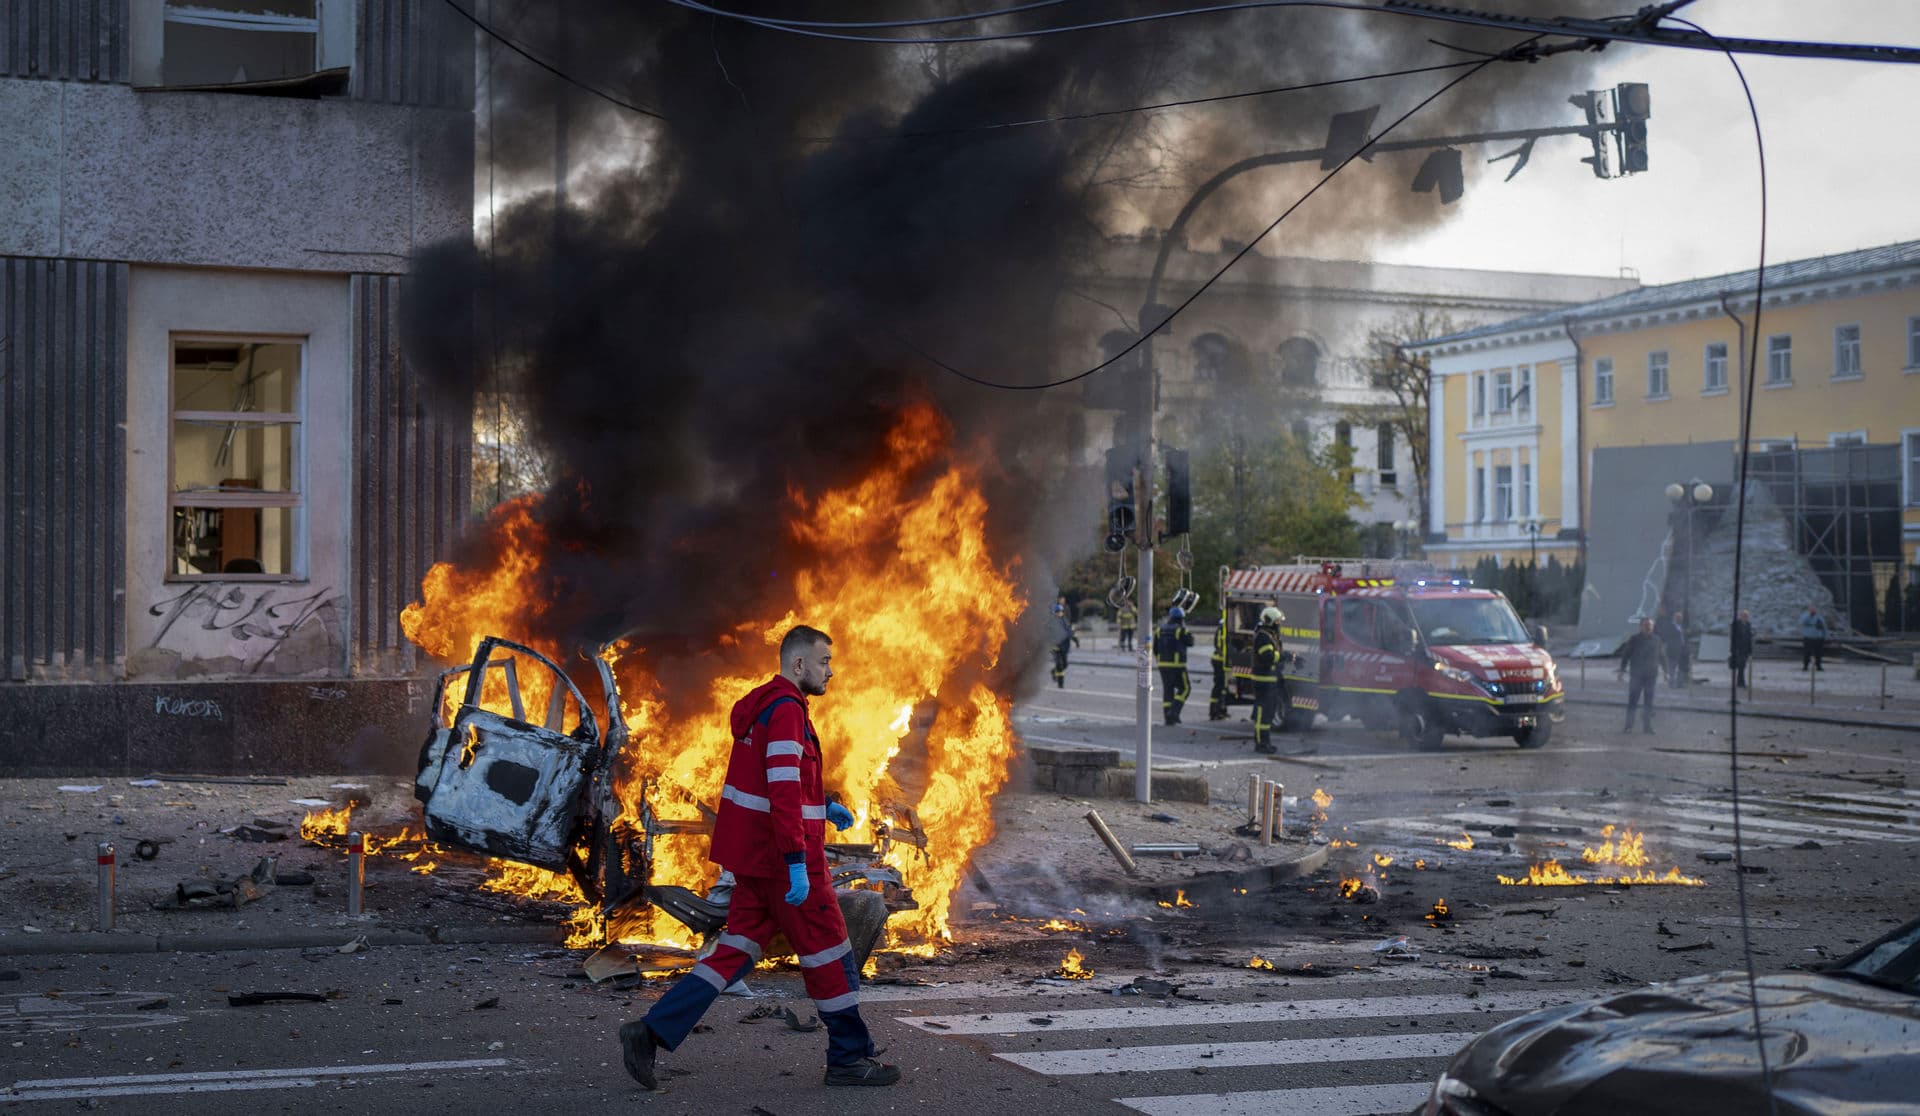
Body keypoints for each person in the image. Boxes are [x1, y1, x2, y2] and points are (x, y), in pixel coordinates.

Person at [619, 625, 899, 1089]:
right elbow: (783, 789)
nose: (831, 670)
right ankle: (849, 1058)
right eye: (825, 661)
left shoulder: (765, 705)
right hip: (786, 865)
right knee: (832, 954)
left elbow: (778, 784)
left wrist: (821, 806)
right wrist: (795, 861)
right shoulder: (788, 711)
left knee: (733, 952)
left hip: (755, 863)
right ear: (798, 665)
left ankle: (650, 1032)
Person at [1617, 617, 1666, 735]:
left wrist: (1666, 671)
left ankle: (1647, 727)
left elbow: (1661, 656)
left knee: (1648, 702)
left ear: (1653, 627)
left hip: (1651, 675)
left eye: (1650, 625)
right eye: (1646, 625)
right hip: (1637, 675)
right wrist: (1622, 670)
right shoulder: (1634, 639)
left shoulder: (1657, 639)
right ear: (1641, 626)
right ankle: (1628, 726)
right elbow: (1626, 655)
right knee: (1633, 701)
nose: (1648, 627)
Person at [1250, 606, 1287, 754]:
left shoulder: (1270, 635)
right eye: (1277, 622)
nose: (1279, 624)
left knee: (1269, 713)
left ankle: (1265, 742)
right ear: (1270, 621)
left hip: (1269, 680)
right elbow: (1268, 657)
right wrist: (1284, 657)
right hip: (1262, 680)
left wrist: (1289, 657)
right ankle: (1261, 744)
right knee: (1263, 714)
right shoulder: (1263, 637)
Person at [1154, 605, 1194, 725]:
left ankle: (1168, 718)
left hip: (1162, 665)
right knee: (1185, 688)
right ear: (1181, 618)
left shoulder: (1159, 630)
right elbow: (1191, 642)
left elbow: (1155, 648)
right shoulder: (1181, 630)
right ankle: (1174, 711)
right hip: (1177, 665)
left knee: (1168, 690)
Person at [1207, 609, 1231, 721]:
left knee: (1222, 687)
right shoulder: (1224, 628)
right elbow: (1221, 645)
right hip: (1220, 661)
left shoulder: (1221, 627)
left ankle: (1220, 710)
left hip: (1218, 660)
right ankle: (1214, 712)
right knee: (1219, 687)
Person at [1049, 602, 1079, 689]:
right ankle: (1060, 683)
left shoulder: (1065, 621)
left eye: (1061, 611)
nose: (1060, 613)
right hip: (1056, 648)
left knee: (1065, 664)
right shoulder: (1052, 623)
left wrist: (1076, 640)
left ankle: (1053, 672)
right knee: (1059, 664)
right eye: (1058, 612)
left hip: (1064, 647)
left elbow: (1069, 632)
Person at [1729, 609, 1754, 689]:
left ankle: (1741, 682)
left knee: (1742, 667)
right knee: (1740, 666)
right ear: (1741, 616)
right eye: (1744, 616)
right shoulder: (1736, 624)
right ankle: (1740, 683)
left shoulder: (1748, 625)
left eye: (1746, 616)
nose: (1745, 617)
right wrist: (1733, 649)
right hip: (1738, 649)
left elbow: (1749, 638)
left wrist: (1750, 650)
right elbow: (1733, 638)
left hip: (1745, 649)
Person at [1799, 604, 1828, 671]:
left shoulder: (1819, 617)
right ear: (1809, 610)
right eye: (1812, 609)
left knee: (1819, 653)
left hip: (1819, 638)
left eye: (1814, 609)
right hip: (1809, 638)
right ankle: (1805, 666)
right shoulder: (1805, 616)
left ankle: (1818, 666)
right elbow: (1802, 622)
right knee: (1807, 653)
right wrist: (1810, 615)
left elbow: (1824, 627)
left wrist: (1825, 636)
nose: (1813, 611)